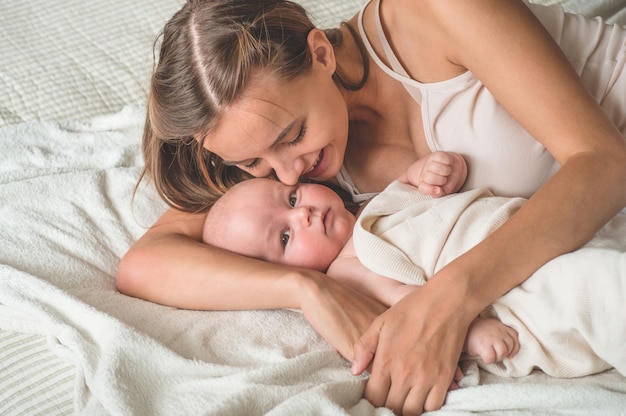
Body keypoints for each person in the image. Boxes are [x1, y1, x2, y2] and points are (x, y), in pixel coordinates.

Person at [116, 0, 626, 414]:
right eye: (254, 162)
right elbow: (146, 263)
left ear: (320, 54)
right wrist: (307, 289)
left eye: (293, 135)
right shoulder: (278, 166)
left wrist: (446, 304)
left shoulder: (436, 10)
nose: (289, 174)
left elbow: (605, 163)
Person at [201, 175, 626, 379]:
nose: (304, 213)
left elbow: (419, 194)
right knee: (603, 288)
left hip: (530, 234)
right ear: (284, 273)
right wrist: (471, 329)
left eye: (292, 197)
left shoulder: (370, 205)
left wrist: (427, 173)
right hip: (518, 295)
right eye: (286, 235)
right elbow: (411, 304)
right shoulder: (347, 272)